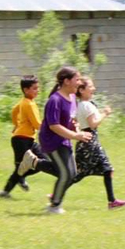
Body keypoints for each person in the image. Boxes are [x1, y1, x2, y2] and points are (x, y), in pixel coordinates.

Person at [34, 67, 93, 215]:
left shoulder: (72, 98)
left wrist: (77, 128)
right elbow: (54, 126)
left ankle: (34, 162)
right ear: (66, 81)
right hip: (51, 140)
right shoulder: (54, 100)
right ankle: (54, 206)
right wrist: (75, 136)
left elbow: (69, 119)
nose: (79, 83)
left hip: (64, 138)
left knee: (72, 174)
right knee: (66, 174)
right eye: (77, 80)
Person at [71, 77, 125, 209]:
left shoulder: (82, 104)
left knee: (107, 169)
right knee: (81, 173)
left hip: (90, 142)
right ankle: (57, 193)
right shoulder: (86, 105)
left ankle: (112, 201)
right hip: (90, 143)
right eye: (90, 86)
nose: (94, 88)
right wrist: (105, 113)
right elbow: (93, 124)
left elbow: (75, 121)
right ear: (81, 90)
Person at [0, 75, 56, 197]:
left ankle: (20, 178)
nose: (38, 90)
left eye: (37, 88)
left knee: (41, 162)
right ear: (26, 90)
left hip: (28, 139)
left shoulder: (25, 102)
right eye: (34, 88)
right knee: (23, 167)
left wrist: (16, 124)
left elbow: (14, 112)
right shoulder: (29, 104)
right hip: (21, 140)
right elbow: (37, 125)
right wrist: (53, 128)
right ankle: (5, 191)